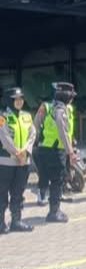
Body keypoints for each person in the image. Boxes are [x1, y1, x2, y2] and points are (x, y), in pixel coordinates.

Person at [33, 82, 78, 223]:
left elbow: (36, 124)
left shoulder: (52, 107)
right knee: (57, 181)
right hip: (56, 149)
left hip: (45, 148)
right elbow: (62, 131)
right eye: (71, 96)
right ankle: (54, 212)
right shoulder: (60, 110)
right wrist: (70, 151)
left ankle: (52, 206)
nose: (72, 99)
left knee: (50, 178)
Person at [0, 88, 37, 233]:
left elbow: (32, 134)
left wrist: (26, 151)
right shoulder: (2, 117)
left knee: (18, 192)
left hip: (23, 162)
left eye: (21, 98)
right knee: (2, 193)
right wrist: (17, 153)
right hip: (6, 162)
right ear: (9, 101)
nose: (19, 101)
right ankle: (1, 223)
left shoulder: (27, 116)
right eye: (16, 99)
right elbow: (4, 137)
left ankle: (16, 221)